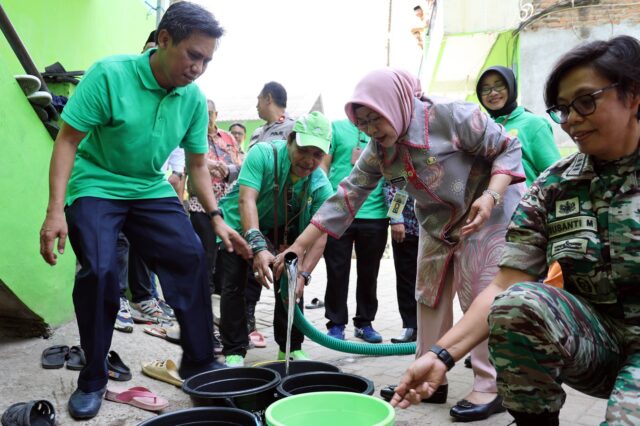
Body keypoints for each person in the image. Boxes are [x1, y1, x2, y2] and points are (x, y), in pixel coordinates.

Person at [389, 35, 640, 426]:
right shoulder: (555, 186)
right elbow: (503, 286)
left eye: (586, 101)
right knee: (517, 302)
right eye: (563, 109)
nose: (572, 119)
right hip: (598, 345)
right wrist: (439, 356)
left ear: (633, 96)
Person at [275, 68, 525, 422]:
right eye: (362, 123)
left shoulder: (451, 116)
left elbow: (508, 147)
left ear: (393, 105)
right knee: (428, 297)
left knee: (479, 295)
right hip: (438, 221)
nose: (371, 130)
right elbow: (347, 194)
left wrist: (491, 196)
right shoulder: (379, 150)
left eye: (375, 119)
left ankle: (490, 384)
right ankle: (428, 377)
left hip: (487, 211)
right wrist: (299, 247)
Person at [38, 2, 250, 420]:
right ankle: (94, 376)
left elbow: (196, 166)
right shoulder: (110, 75)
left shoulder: (192, 99)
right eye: (193, 55)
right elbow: (66, 142)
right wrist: (54, 212)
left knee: (190, 255)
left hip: (149, 186)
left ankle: (199, 360)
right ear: (164, 40)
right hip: (97, 182)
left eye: (207, 60)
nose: (198, 68)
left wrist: (217, 218)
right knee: (100, 270)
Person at [218, 112, 333, 367]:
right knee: (235, 284)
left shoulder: (321, 185)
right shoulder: (263, 154)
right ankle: (234, 349)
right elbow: (246, 199)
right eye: (305, 150)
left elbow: (321, 235)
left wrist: (303, 275)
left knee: (292, 280)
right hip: (239, 224)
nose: (309, 160)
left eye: (318, 154)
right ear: (291, 140)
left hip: (282, 233)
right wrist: (257, 247)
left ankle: (290, 347)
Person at [321, 119, 389, 343]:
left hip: (375, 213)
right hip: (340, 211)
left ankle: (364, 323)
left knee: (370, 273)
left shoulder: (381, 130)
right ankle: (336, 324)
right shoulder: (337, 128)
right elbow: (323, 167)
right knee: (337, 270)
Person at [243, 81, 296, 345]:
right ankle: (248, 327)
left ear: (269, 98)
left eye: (258, 98)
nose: (255, 104)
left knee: (284, 281)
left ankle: (287, 342)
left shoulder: (296, 131)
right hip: (257, 218)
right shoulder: (258, 134)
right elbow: (249, 172)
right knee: (251, 277)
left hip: (285, 221)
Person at [187, 99, 243, 295]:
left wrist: (226, 170)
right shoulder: (194, 136)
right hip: (199, 203)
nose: (207, 117)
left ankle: (218, 286)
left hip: (225, 203)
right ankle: (204, 287)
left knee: (223, 248)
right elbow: (187, 165)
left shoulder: (228, 138)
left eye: (210, 113)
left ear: (216, 115)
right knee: (206, 248)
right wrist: (209, 167)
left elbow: (240, 165)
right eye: (204, 113)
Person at [476, 65, 560, 187]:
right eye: (485, 89)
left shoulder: (534, 124)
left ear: (511, 87)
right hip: (486, 204)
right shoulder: (482, 127)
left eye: (499, 85)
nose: (493, 93)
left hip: (524, 204)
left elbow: (555, 174)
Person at [382, 180, 418, 343]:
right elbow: (394, 186)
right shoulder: (403, 156)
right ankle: (410, 326)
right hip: (407, 227)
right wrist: (396, 219)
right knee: (406, 280)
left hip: (437, 230)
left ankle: (435, 329)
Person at [248, 81, 295, 149]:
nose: (256, 106)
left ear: (268, 99)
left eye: (259, 99)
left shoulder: (293, 128)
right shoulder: (257, 132)